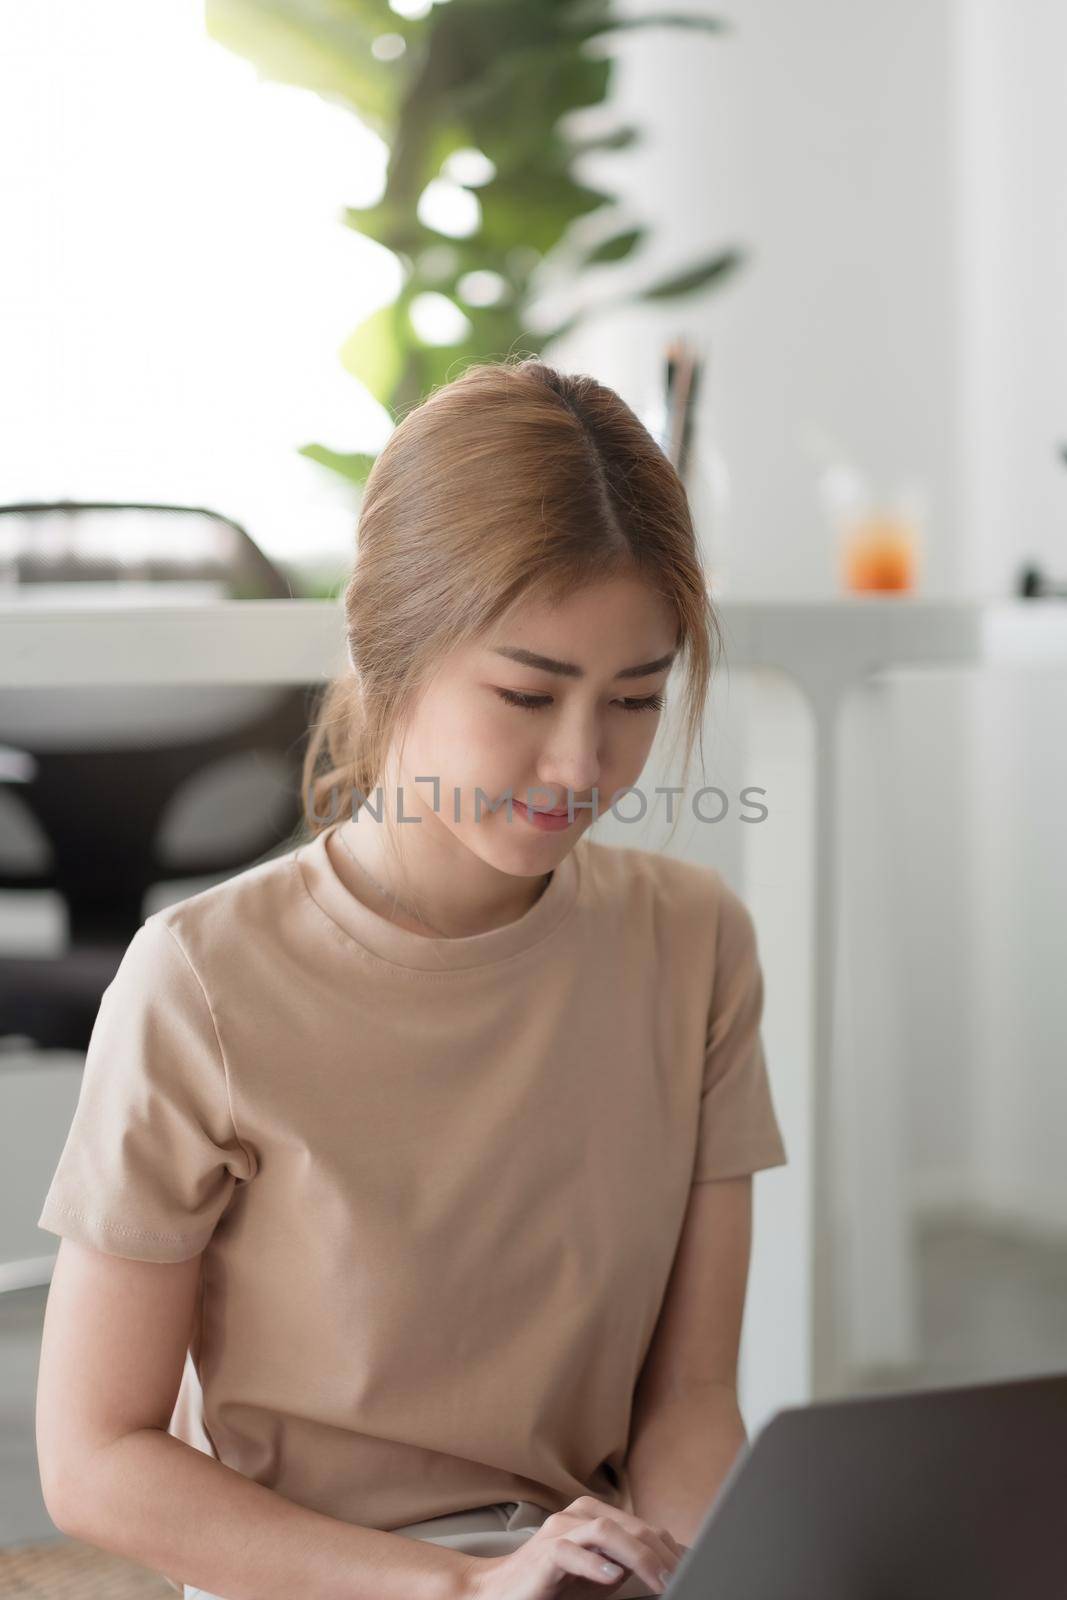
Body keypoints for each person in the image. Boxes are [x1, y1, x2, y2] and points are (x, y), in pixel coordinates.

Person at [34, 356, 788, 1600]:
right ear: (384, 643)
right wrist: (459, 1589)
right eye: (525, 692)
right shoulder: (201, 984)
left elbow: (689, 1404)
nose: (578, 760)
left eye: (635, 698)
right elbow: (95, 1458)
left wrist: (700, 1577)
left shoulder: (694, 944)